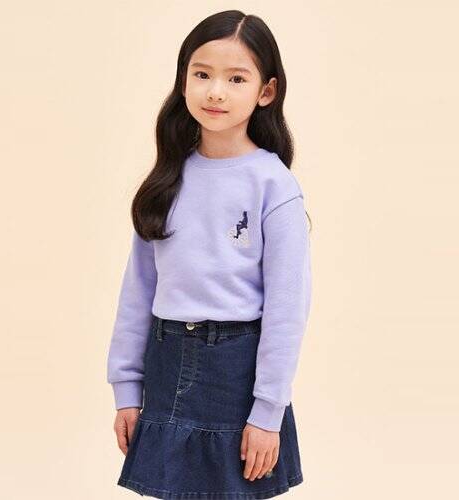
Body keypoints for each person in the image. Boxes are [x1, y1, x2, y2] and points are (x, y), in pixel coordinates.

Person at [106, 9, 313, 499]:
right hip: (165, 361)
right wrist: (126, 389)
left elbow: (287, 310)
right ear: (183, 81)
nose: (215, 92)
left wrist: (267, 413)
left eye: (236, 78)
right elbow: (137, 292)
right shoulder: (166, 180)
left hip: (235, 374)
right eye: (202, 74)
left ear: (266, 91)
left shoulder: (273, 185)